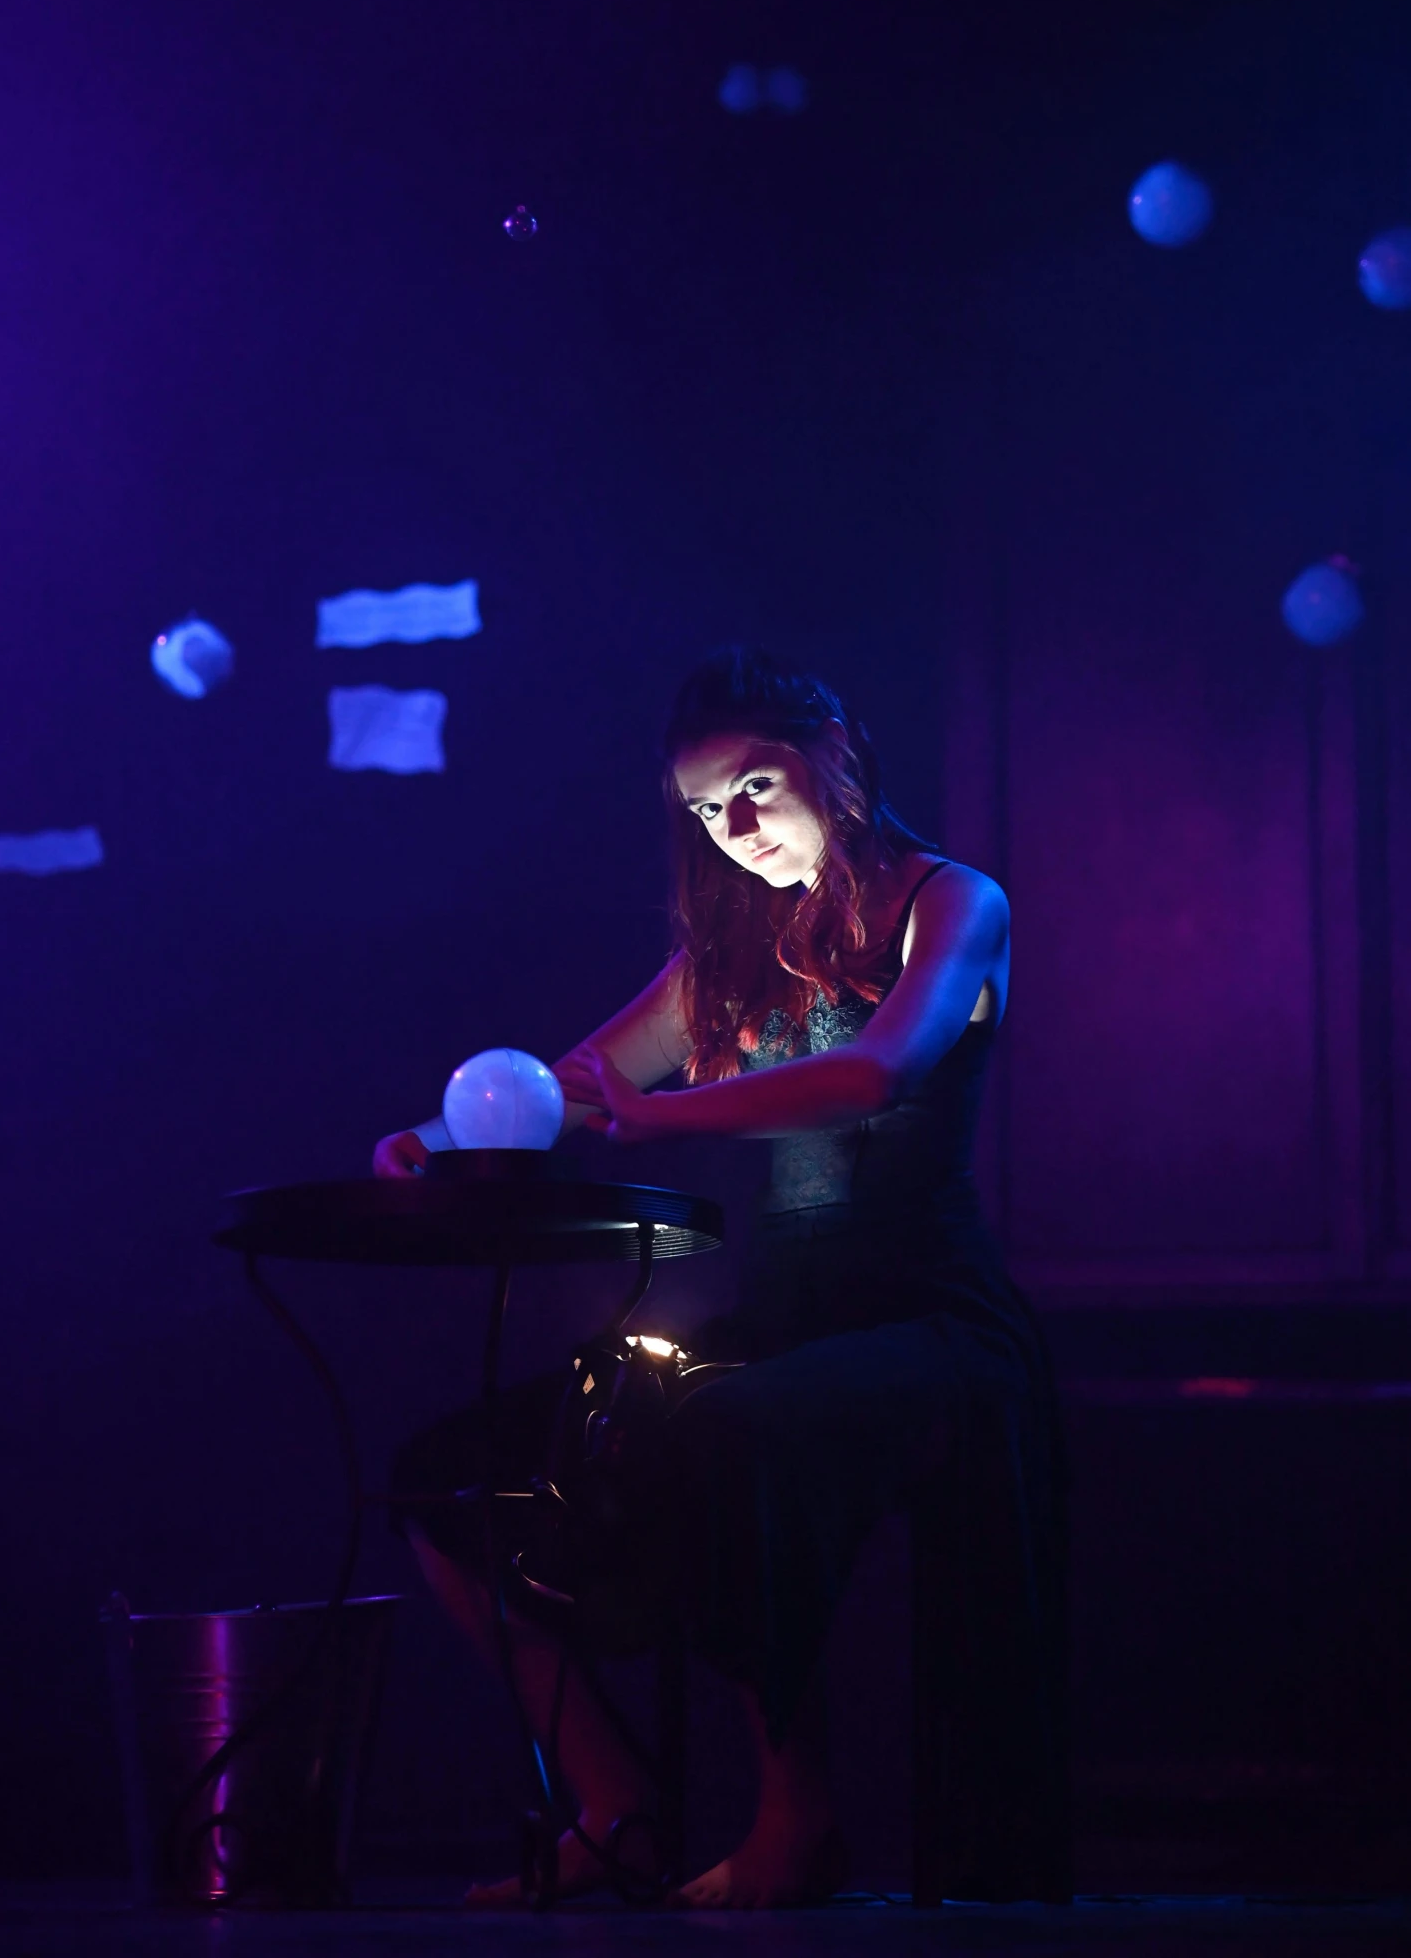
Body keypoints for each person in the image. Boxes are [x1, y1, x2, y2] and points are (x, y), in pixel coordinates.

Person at [375, 647, 1069, 1909]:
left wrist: (664, 1119)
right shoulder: (729, 957)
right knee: (452, 1477)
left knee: (728, 1430)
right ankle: (616, 1806)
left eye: (753, 786)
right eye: (703, 810)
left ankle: (792, 1827)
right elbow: (579, 1089)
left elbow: (876, 1071)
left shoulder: (951, 903)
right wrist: (447, 1136)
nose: (733, 829)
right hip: (786, 1323)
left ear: (837, 760)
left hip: (933, 1326)